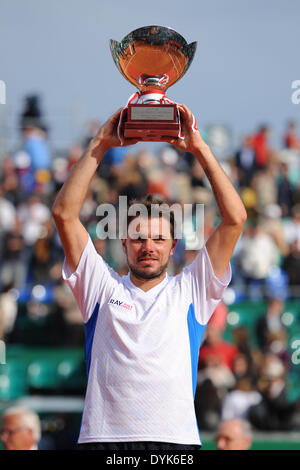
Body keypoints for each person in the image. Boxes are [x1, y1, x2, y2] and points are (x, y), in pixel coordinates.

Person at [52, 104, 247, 450]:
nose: (148, 247)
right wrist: (100, 144)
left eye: (158, 239)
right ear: (124, 243)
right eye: (139, 238)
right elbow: (64, 214)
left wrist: (199, 147)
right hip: (104, 440)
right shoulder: (100, 285)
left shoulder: (191, 289)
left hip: (175, 443)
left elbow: (234, 218)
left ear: (172, 247)